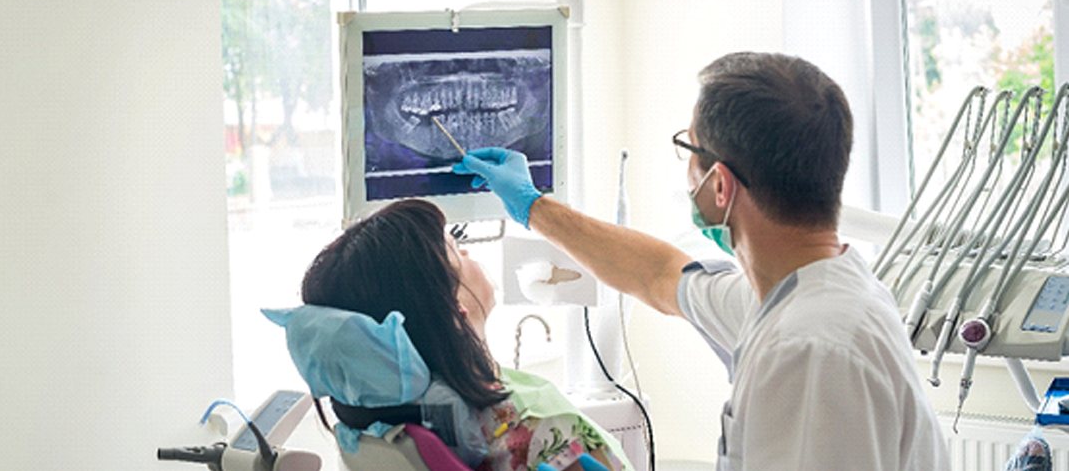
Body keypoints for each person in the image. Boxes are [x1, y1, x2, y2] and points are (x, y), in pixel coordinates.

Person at [452, 52, 950, 470]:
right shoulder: (802, 294)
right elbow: (658, 274)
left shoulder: (809, 349)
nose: (685, 170)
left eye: (688, 148)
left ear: (719, 185)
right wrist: (532, 206)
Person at [270, 199, 629, 471]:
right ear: (453, 309)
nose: (469, 251)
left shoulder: (374, 426)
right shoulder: (540, 429)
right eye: (456, 251)